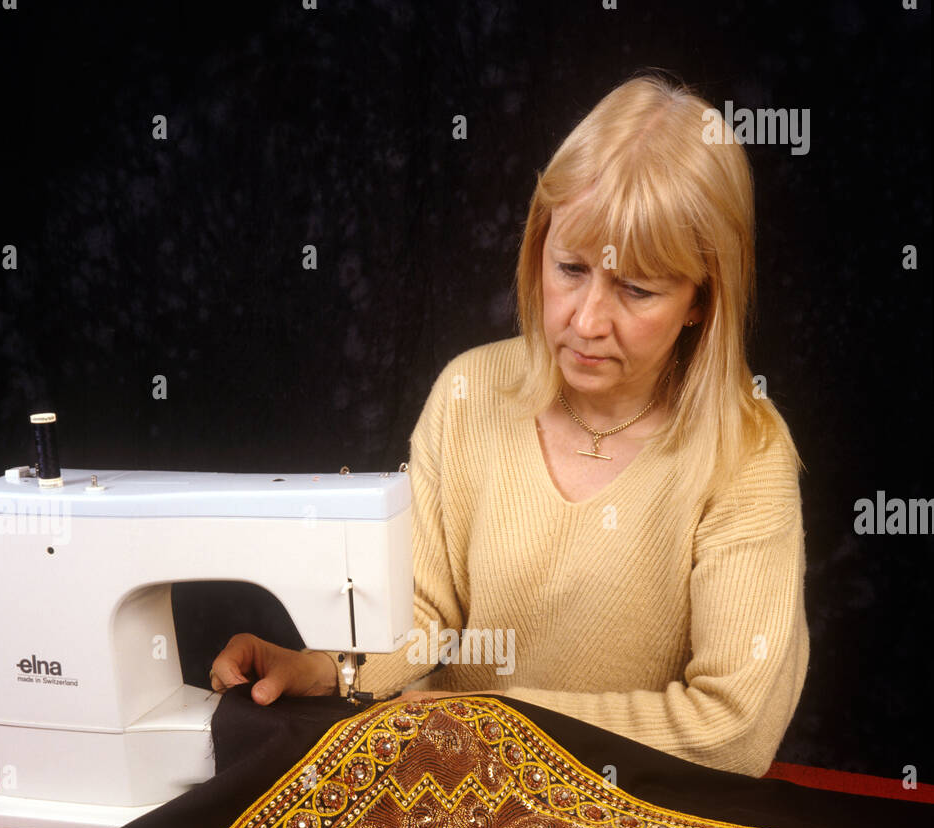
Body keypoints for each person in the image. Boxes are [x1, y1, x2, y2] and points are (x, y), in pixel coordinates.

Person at [210, 73, 808, 778]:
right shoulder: (467, 392)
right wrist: (328, 670)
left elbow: (729, 731)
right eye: (570, 268)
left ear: (701, 301)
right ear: (536, 250)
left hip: (641, 822)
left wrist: (489, 725)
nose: (586, 322)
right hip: (462, 791)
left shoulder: (747, 454)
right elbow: (425, 616)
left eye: (636, 289)